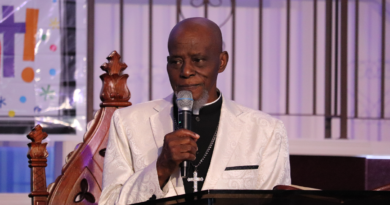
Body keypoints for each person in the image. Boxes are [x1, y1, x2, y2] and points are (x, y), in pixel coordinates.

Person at [99, 17, 291, 205]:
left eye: (198, 60)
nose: (186, 71)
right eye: (176, 61)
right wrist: (161, 168)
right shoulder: (128, 122)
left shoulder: (265, 131)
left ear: (222, 62)